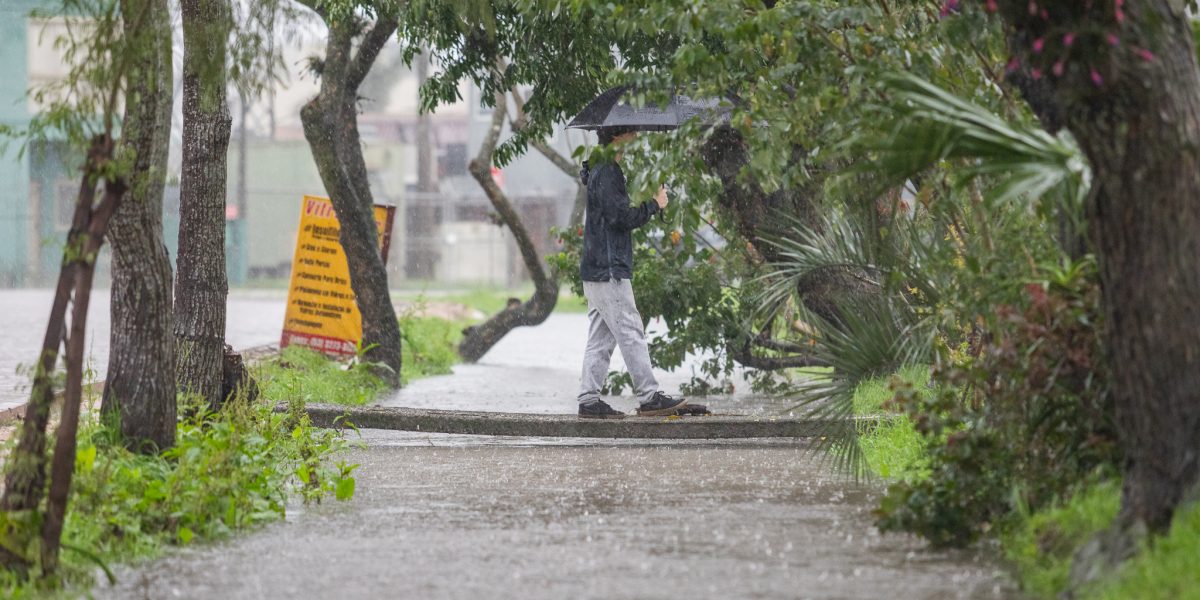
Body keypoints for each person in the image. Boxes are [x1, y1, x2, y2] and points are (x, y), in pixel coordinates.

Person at [576, 127, 688, 419]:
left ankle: (588, 400)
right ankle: (650, 397)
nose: (636, 136)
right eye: (632, 132)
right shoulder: (608, 171)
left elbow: (613, 214)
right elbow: (619, 218)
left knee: (601, 338)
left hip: (597, 266)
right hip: (609, 268)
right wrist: (655, 205)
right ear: (618, 136)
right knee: (630, 330)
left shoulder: (602, 169)